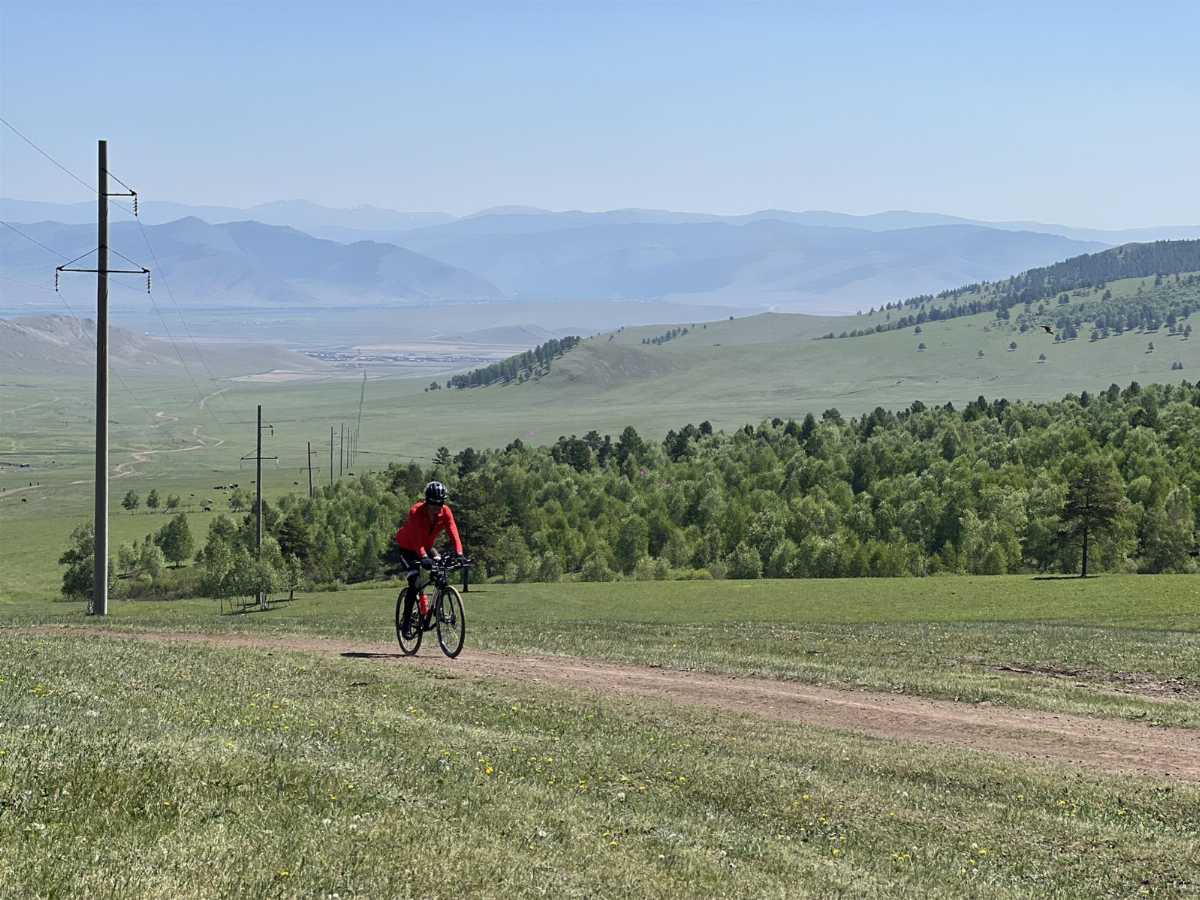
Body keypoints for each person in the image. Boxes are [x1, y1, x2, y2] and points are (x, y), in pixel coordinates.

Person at [393, 481, 463, 636]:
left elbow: (454, 533)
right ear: (426, 501)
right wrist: (424, 557)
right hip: (408, 548)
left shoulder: (445, 512)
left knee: (440, 569)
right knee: (415, 581)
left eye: (440, 504)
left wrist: (459, 553)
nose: (436, 508)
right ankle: (406, 621)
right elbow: (416, 540)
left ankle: (435, 608)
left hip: (427, 547)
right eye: (432, 504)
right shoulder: (416, 512)